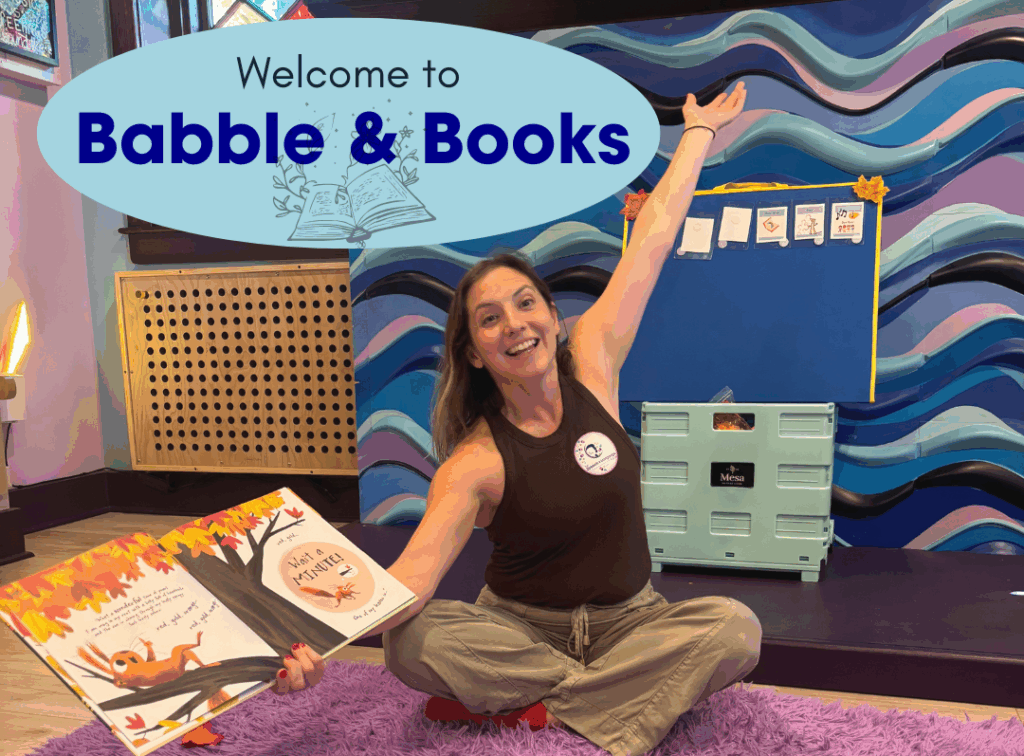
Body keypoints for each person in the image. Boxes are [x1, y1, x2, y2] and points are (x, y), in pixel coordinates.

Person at [276, 83, 762, 756]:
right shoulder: (473, 461)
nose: (514, 324)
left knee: (735, 628)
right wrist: (310, 638)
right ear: (474, 353)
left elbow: (651, 242)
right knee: (412, 641)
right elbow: (411, 579)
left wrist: (698, 134)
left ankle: (547, 709)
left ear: (553, 318)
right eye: (489, 318)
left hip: (632, 621)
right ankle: (614, 704)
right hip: (522, 632)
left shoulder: (593, 362)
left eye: (526, 303)